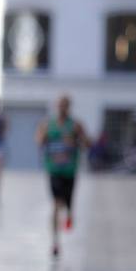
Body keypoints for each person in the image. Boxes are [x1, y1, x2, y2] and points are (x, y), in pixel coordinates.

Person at [36, 95, 89, 258]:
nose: (62, 108)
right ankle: (55, 242)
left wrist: (75, 140)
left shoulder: (76, 125)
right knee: (56, 203)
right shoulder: (48, 124)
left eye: (65, 105)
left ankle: (69, 214)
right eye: (60, 105)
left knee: (67, 204)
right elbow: (38, 141)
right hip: (54, 170)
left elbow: (87, 144)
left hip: (70, 170)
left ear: (69, 107)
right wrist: (44, 138)